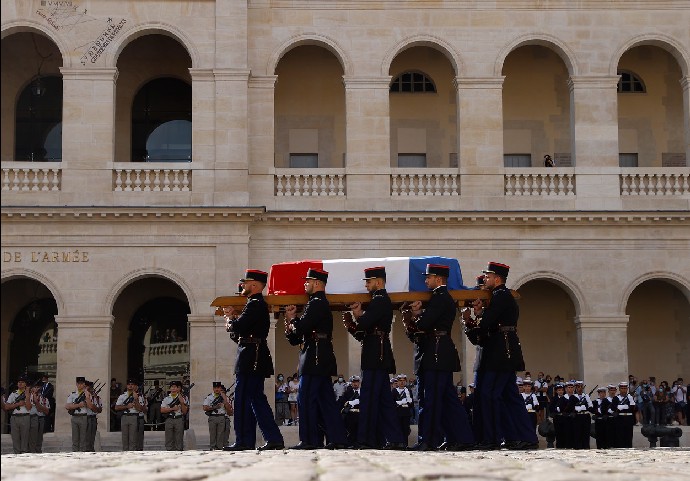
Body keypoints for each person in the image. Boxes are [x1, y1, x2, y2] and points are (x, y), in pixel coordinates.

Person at [466, 261, 539, 450]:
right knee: (510, 398)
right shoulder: (498, 297)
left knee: (491, 396)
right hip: (502, 353)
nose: (486, 279)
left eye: (488, 277)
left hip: (500, 354)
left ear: (497, 279)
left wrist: (475, 317)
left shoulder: (501, 296)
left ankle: (492, 438)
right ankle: (521, 436)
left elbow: (486, 324)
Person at [406, 263, 474, 451]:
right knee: (447, 400)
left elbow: (425, 324)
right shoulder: (440, 298)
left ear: (439, 279)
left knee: (431, 400)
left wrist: (415, 315)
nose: (425, 280)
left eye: (428, 277)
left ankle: (428, 439)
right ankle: (459, 437)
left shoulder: (440, 298)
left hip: (436, 354)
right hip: (438, 353)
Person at [284, 267, 349, 449]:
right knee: (326, 401)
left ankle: (309, 440)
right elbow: (295, 338)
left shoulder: (316, 303)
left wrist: (292, 318)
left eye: (308, 281)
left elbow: (302, 327)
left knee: (305, 400)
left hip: (315, 358)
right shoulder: (315, 304)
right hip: (318, 355)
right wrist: (291, 321)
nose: (305, 284)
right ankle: (338, 438)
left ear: (318, 283)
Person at [223, 269, 285, 451]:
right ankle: (273, 438)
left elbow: (239, 327)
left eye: (246, 283)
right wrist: (234, 320)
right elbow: (240, 334)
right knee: (256, 399)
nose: (242, 286)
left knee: (243, 399)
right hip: (252, 355)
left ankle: (244, 440)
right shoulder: (254, 304)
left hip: (251, 358)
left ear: (255, 285)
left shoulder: (255, 304)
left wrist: (229, 319)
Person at [345, 266, 406, 450]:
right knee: (384, 399)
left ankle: (366, 439)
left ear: (378, 282)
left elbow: (365, 323)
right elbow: (363, 330)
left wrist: (358, 315)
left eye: (369, 282)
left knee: (369, 398)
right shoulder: (378, 300)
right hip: (377, 352)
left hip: (375, 354)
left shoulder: (379, 300)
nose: (366, 286)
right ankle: (395, 438)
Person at [114, 378, 146, 451]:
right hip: (124, 417)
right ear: (127, 386)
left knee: (133, 438)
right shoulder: (122, 396)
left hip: (134, 417)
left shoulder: (138, 396)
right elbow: (116, 407)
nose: (130, 386)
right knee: (125, 438)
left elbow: (140, 409)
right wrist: (126, 406)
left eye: (132, 385)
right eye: (129, 384)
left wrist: (136, 399)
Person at [4, 375, 31, 453]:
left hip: (25, 416)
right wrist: (17, 404)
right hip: (15, 417)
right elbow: (6, 407)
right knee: (15, 438)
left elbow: (29, 408)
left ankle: (24, 453)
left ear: (25, 384)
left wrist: (27, 397)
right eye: (19, 382)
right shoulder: (13, 393)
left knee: (25, 438)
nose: (20, 383)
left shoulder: (28, 394)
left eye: (22, 382)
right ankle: (16, 454)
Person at [203, 381, 233, 450]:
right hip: (212, 417)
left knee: (221, 434)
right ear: (213, 388)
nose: (217, 389)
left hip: (221, 417)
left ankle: (220, 448)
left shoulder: (225, 397)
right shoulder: (209, 397)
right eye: (215, 388)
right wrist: (214, 407)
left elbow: (229, 410)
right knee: (212, 434)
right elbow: (205, 408)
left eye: (218, 388)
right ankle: (212, 447)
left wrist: (224, 398)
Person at [65, 376, 91, 452]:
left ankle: (82, 454)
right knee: (75, 438)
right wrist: (78, 405)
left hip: (83, 417)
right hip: (75, 417)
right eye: (78, 383)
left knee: (83, 439)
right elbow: (67, 406)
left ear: (84, 384)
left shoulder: (87, 394)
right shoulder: (72, 394)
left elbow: (90, 406)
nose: (80, 385)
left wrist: (87, 397)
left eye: (82, 383)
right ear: (76, 384)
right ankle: (75, 453)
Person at [161, 380, 188, 451]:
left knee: (179, 439)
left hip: (178, 419)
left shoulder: (182, 398)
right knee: (169, 438)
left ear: (177, 388)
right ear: (170, 388)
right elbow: (162, 410)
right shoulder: (166, 399)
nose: (173, 388)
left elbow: (184, 411)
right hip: (169, 419)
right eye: (172, 387)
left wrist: (182, 403)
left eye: (175, 387)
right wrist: (172, 409)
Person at [611, 381, 635, 448]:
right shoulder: (616, 398)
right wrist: (621, 407)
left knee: (629, 435)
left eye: (625, 388)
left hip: (629, 418)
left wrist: (624, 406)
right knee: (619, 435)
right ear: (619, 389)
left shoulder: (629, 397)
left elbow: (633, 408)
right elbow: (613, 407)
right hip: (620, 418)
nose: (624, 390)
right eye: (622, 388)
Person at [28, 380, 50, 453]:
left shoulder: (43, 398)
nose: (36, 389)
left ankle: (38, 451)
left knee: (39, 438)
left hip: (41, 418)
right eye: (35, 387)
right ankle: (32, 452)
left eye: (38, 387)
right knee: (32, 437)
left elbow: (47, 411)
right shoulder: (28, 397)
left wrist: (37, 403)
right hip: (31, 418)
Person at [393, 374, 413, 447]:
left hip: (406, 413)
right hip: (397, 413)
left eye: (404, 380)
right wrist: (401, 402)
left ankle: (405, 444)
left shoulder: (408, 391)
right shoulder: (394, 391)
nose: (402, 382)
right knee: (398, 429)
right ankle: (397, 444)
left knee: (405, 430)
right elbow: (392, 403)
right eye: (400, 381)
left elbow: (411, 404)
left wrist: (407, 401)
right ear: (397, 382)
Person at [341, 375, 362, 446]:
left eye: (356, 382)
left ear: (359, 383)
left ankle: (359, 443)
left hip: (360, 414)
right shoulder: (347, 392)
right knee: (351, 430)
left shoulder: (363, 392)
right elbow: (343, 402)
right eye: (353, 382)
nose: (355, 384)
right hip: (350, 415)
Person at [572, 381, 592, 449]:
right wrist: (577, 408)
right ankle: (578, 448)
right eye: (578, 387)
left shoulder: (586, 396)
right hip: (577, 416)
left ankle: (586, 448)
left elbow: (590, 406)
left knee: (586, 434)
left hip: (585, 416)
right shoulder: (573, 397)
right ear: (575, 388)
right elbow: (570, 407)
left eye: (581, 387)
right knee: (577, 434)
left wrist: (586, 406)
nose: (580, 388)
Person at [85, 380, 103, 452]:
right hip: (86, 418)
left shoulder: (96, 397)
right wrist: (94, 408)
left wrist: (95, 397)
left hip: (93, 418)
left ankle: (91, 450)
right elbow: (91, 407)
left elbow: (99, 409)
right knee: (86, 438)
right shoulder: (83, 397)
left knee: (92, 438)